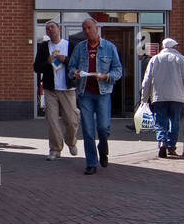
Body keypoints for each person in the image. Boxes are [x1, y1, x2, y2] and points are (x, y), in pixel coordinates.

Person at [67, 17, 122, 175]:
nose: (87, 31)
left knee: (103, 128)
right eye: (84, 29)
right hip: (85, 93)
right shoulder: (80, 48)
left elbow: (118, 70)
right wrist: (75, 73)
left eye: (89, 28)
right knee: (88, 130)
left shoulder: (109, 47)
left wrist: (106, 76)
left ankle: (103, 147)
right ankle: (91, 162)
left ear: (96, 28)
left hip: (103, 92)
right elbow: (71, 67)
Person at [140, 37, 184, 158]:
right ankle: (171, 146)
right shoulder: (181, 59)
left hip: (159, 96)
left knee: (160, 120)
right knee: (174, 121)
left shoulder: (155, 59)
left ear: (163, 47)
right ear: (175, 47)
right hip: (177, 95)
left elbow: (147, 80)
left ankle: (162, 140)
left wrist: (144, 97)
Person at [34, 21, 78, 159]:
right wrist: (47, 62)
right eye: (47, 28)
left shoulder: (70, 45)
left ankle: (71, 142)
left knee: (71, 120)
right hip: (50, 89)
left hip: (67, 88)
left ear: (59, 29)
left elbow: (78, 64)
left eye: (52, 27)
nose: (50, 29)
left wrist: (65, 59)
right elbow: (36, 68)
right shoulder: (43, 47)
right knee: (52, 120)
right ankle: (55, 149)